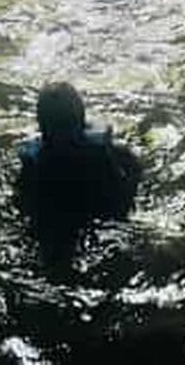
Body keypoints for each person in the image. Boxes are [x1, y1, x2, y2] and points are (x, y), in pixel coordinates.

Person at [17, 82, 142, 261]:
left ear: (42, 127)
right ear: (82, 121)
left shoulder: (33, 167)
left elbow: (23, 208)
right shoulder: (111, 154)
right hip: (105, 225)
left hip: (59, 228)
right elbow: (131, 187)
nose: (64, 139)